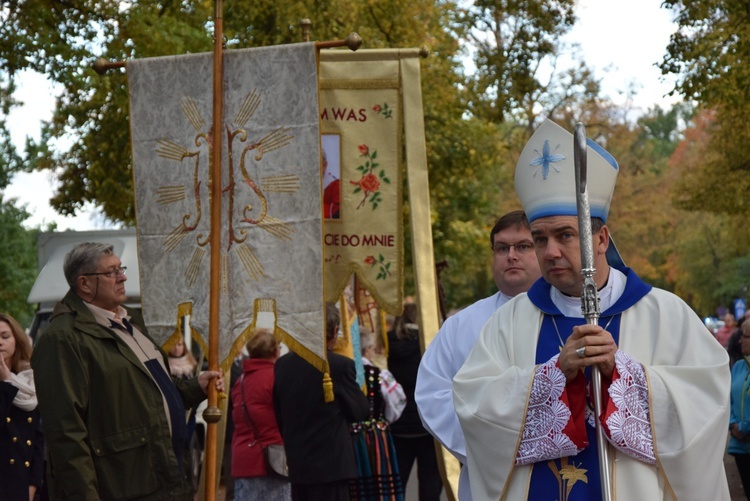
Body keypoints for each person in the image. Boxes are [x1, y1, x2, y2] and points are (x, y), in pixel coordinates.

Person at [453, 119, 731, 500]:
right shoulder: (509, 322)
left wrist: (624, 374)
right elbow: (474, 407)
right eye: (540, 239)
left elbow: (708, 405)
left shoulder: (667, 314)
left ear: (601, 239)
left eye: (565, 235)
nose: (550, 251)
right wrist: (552, 376)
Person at [31, 242, 224, 500]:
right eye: (110, 272)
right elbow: (66, 434)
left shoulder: (131, 321)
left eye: (120, 268)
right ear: (84, 284)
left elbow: (151, 392)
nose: (122, 276)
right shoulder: (63, 338)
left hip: (165, 480)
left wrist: (196, 386)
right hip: (122, 487)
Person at [414, 210, 541, 500]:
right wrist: (489, 444)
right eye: (501, 248)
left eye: (523, 246)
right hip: (489, 478)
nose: (511, 255)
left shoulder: (571, 316)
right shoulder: (462, 324)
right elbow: (432, 395)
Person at [273, 303, 369, 500]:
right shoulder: (340, 366)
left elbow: (279, 414)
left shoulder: (282, 365)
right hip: (332, 467)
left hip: (299, 464)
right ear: (334, 332)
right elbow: (360, 412)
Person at [387, 302, 443, 500]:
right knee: (429, 480)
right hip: (426, 422)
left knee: (398, 480)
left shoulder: (388, 344)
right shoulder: (430, 344)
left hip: (398, 423)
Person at [231, 328, 290, 500]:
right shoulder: (277, 377)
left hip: (243, 461)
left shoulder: (240, 381)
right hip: (273, 462)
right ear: (275, 351)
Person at [350, 328, 407, 501]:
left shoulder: (346, 373)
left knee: (358, 486)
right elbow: (399, 401)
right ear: (367, 349)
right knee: (380, 483)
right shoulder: (381, 375)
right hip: (376, 436)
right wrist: (383, 420)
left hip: (351, 436)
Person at [0, 313, 45, 501]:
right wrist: (5, 384)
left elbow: (37, 437)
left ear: (17, 340)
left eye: (5, 336)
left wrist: (34, 484)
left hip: (23, 484)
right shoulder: (7, 386)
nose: (0, 342)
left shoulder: (30, 382)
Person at [730, 320, 750, 499]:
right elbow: (727, 400)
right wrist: (732, 424)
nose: (740, 340)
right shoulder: (738, 368)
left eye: (744, 336)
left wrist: (744, 427)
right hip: (740, 447)